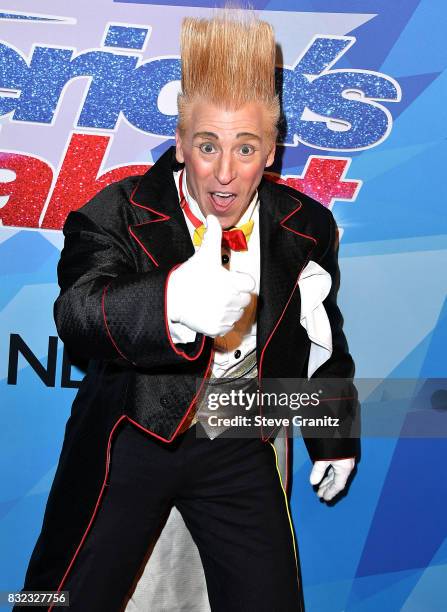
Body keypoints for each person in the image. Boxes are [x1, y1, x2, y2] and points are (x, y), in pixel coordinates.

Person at [15, 9, 359, 612]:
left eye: (245, 148)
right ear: (180, 144)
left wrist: (334, 436)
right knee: (58, 596)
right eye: (207, 145)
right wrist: (169, 301)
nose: (225, 173)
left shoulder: (306, 226)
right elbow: (77, 312)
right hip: (130, 434)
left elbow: (322, 335)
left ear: (271, 152)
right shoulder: (115, 210)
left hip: (238, 437)